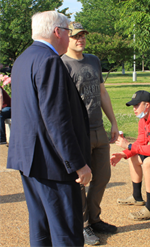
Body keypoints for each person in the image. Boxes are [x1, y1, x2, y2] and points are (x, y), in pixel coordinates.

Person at [7, 11, 92, 247]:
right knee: (66, 234)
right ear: (57, 32)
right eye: (67, 32)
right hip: (53, 164)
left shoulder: (23, 58)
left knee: (41, 231)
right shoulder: (50, 61)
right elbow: (56, 120)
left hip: (29, 160)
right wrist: (78, 163)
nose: (69, 37)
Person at [61, 22, 119, 245]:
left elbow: (102, 92)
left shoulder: (93, 60)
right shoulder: (61, 64)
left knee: (103, 176)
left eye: (83, 35)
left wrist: (113, 122)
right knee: (81, 181)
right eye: (76, 36)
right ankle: (83, 225)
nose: (80, 39)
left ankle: (94, 219)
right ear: (67, 37)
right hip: (79, 133)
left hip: (98, 129)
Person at [111, 90, 150, 220]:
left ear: (147, 105)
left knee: (148, 163)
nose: (134, 109)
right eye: (133, 106)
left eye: (137, 105)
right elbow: (140, 142)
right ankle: (137, 197)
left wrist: (129, 146)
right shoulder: (144, 119)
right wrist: (123, 153)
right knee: (133, 156)